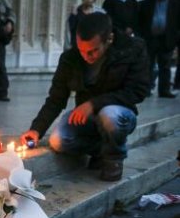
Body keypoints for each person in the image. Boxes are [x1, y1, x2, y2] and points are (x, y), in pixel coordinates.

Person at [20, 13, 148, 182]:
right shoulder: (70, 58)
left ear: (109, 39)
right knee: (58, 140)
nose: (87, 57)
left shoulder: (132, 49)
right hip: (87, 118)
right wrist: (36, 129)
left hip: (119, 112)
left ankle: (113, 159)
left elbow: (138, 90)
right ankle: (100, 150)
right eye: (82, 50)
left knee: (110, 115)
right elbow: (56, 99)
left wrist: (94, 104)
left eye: (93, 51)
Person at [137, 0, 180, 98]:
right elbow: (140, 21)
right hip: (150, 39)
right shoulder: (148, 3)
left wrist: (176, 39)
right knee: (147, 65)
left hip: (167, 39)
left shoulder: (177, 1)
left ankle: (164, 91)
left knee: (165, 66)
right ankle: (145, 90)